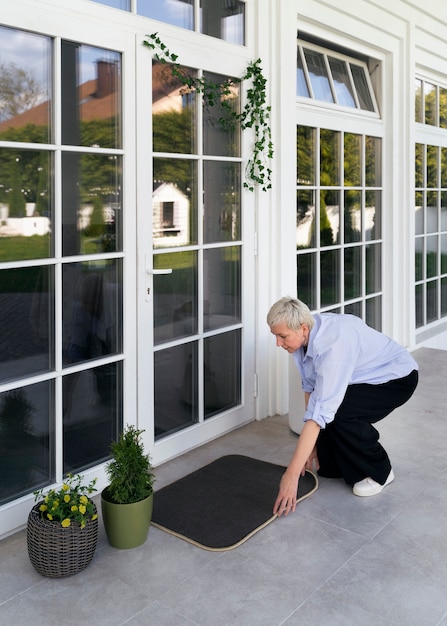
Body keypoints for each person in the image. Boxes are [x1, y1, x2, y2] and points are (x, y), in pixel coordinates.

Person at [267, 296, 419, 517]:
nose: (278, 343)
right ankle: (337, 464)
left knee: (339, 412)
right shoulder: (303, 339)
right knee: (326, 416)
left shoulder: (332, 347)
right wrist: (312, 446)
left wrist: (290, 476)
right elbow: (311, 389)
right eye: (275, 336)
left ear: (302, 328)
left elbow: (321, 412)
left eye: (282, 336)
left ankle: (380, 472)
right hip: (363, 377)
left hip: (396, 377)